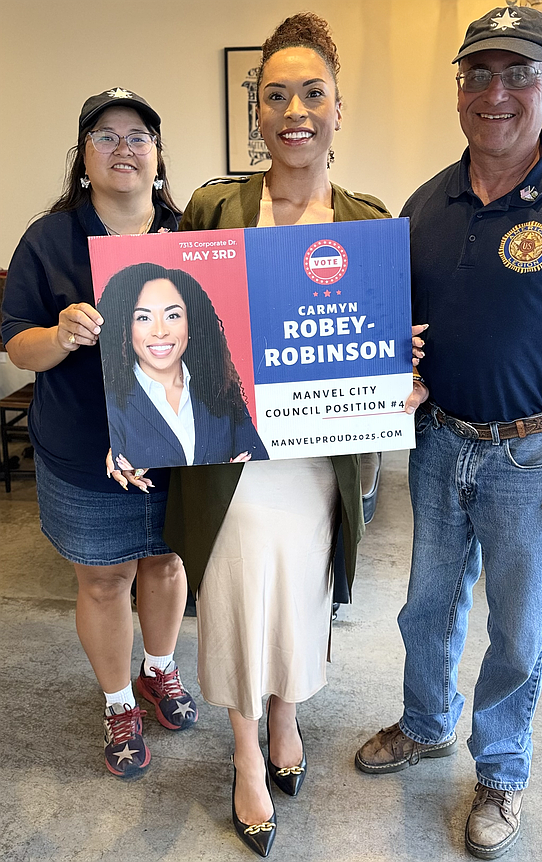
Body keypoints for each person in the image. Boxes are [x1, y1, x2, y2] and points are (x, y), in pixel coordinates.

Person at [151, 13, 426, 856]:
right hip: (235, 461)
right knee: (235, 597)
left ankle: (285, 714)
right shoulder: (213, 205)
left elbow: (387, 344)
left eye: (313, 92)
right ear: (257, 113)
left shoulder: (368, 220)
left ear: (339, 109)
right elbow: (177, 317)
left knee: (303, 592)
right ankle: (243, 753)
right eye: (276, 95)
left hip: (320, 463)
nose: (294, 109)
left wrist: (400, 374)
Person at [355, 7, 542, 859]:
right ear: (459, 88)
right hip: (438, 443)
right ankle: (427, 724)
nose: (494, 92)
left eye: (516, 73)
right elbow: (402, 333)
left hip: (538, 456)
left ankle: (501, 770)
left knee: (521, 627)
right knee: (426, 605)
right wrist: (398, 367)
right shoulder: (424, 204)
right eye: (477, 74)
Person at [1, 88, 198, 780]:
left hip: (181, 447)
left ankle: (160, 669)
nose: (124, 148)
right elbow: (16, 347)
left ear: (158, 156)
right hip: (87, 453)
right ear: (83, 159)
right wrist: (57, 335)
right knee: (107, 581)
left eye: (139, 135)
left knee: (169, 564)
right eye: (106, 136)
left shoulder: (194, 233)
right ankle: (120, 702)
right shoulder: (49, 239)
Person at [96, 262, 267, 468]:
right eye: (143, 317)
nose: (160, 331)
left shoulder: (220, 388)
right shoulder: (111, 400)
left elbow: (258, 465)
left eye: (173, 316)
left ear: (191, 321)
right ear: (124, 327)